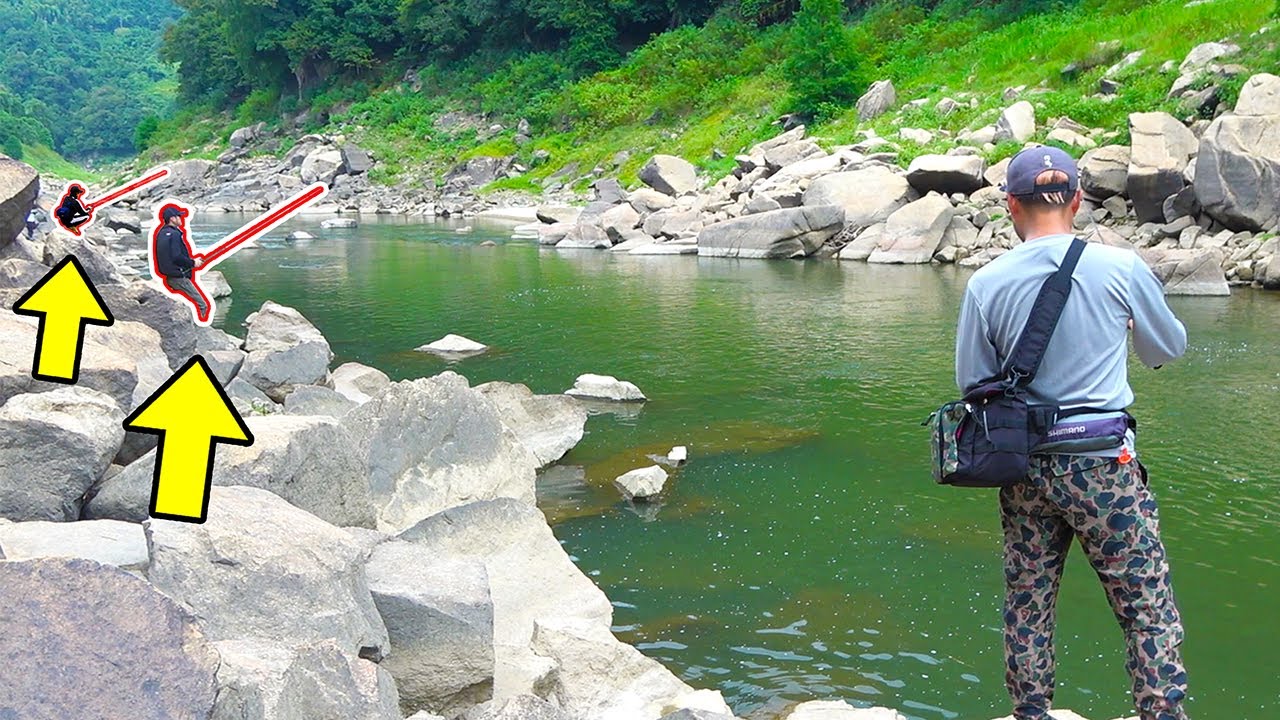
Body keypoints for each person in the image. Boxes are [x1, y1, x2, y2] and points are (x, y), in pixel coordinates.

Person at [954, 146, 1190, 720]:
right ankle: (1160, 713)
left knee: (1029, 601)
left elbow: (973, 385)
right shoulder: (1122, 268)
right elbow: (1168, 349)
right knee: (1144, 603)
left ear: (1012, 205)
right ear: (1078, 201)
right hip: (1104, 463)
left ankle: (1031, 712)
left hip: (1025, 467)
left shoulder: (986, 283)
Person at [153, 204, 210, 321]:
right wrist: (193, 263)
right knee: (202, 305)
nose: (181, 218)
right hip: (178, 277)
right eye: (179, 216)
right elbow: (177, 256)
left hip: (168, 276)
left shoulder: (161, 233)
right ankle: (199, 331)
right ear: (172, 219)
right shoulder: (175, 234)